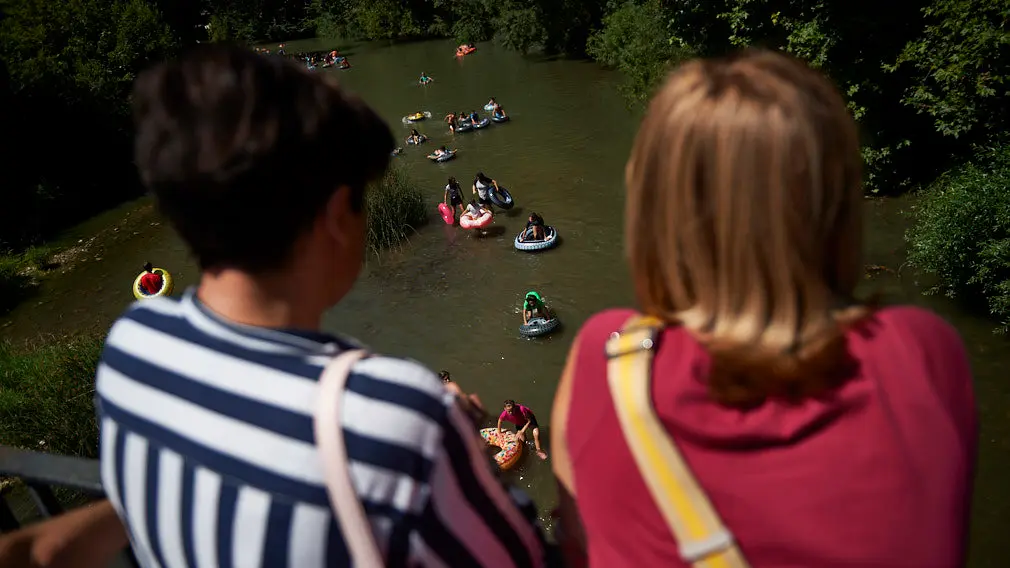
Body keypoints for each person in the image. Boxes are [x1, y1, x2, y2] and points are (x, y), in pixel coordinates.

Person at [97, 45, 546, 568]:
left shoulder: (132, 346)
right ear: (336, 216)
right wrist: (464, 451)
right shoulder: (401, 413)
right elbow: (520, 555)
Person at [550, 50, 976, 568]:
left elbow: (577, 545)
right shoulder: (924, 351)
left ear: (652, 210)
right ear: (837, 201)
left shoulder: (608, 354)